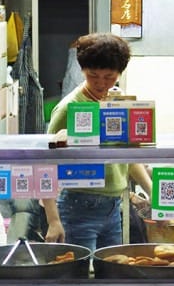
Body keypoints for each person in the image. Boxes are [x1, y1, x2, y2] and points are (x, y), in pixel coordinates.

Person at [43, 33, 149, 251]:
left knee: (110, 272)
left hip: (113, 207)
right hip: (78, 206)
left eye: (109, 77)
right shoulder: (69, 108)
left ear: (120, 73)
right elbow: (46, 165)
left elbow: (126, 153)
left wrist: (152, 191)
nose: (101, 83)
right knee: (81, 278)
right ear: (82, 70)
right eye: (93, 76)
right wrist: (53, 220)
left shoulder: (115, 103)